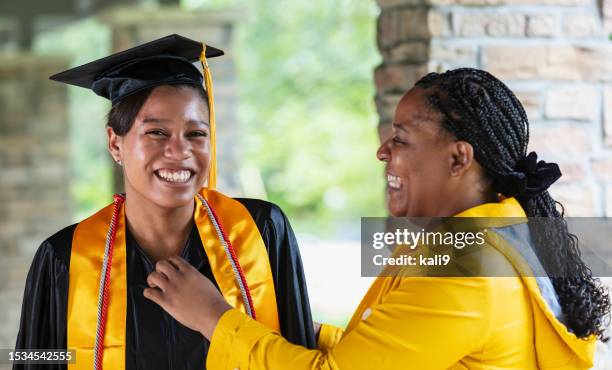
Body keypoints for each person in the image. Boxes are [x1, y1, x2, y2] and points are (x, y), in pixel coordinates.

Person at [143, 68, 610, 369]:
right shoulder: (485, 240)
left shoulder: (468, 270)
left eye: (401, 139)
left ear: (458, 159)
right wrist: (285, 324)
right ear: (116, 144)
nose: (382, 151)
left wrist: (214, 318)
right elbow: (382, 346)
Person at [13, 34, 316, 370]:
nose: (180, 151)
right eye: (157, 132)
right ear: (115, 143)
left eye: (196, 134)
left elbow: (299, 354)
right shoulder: (64, 257)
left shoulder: (260, 231)